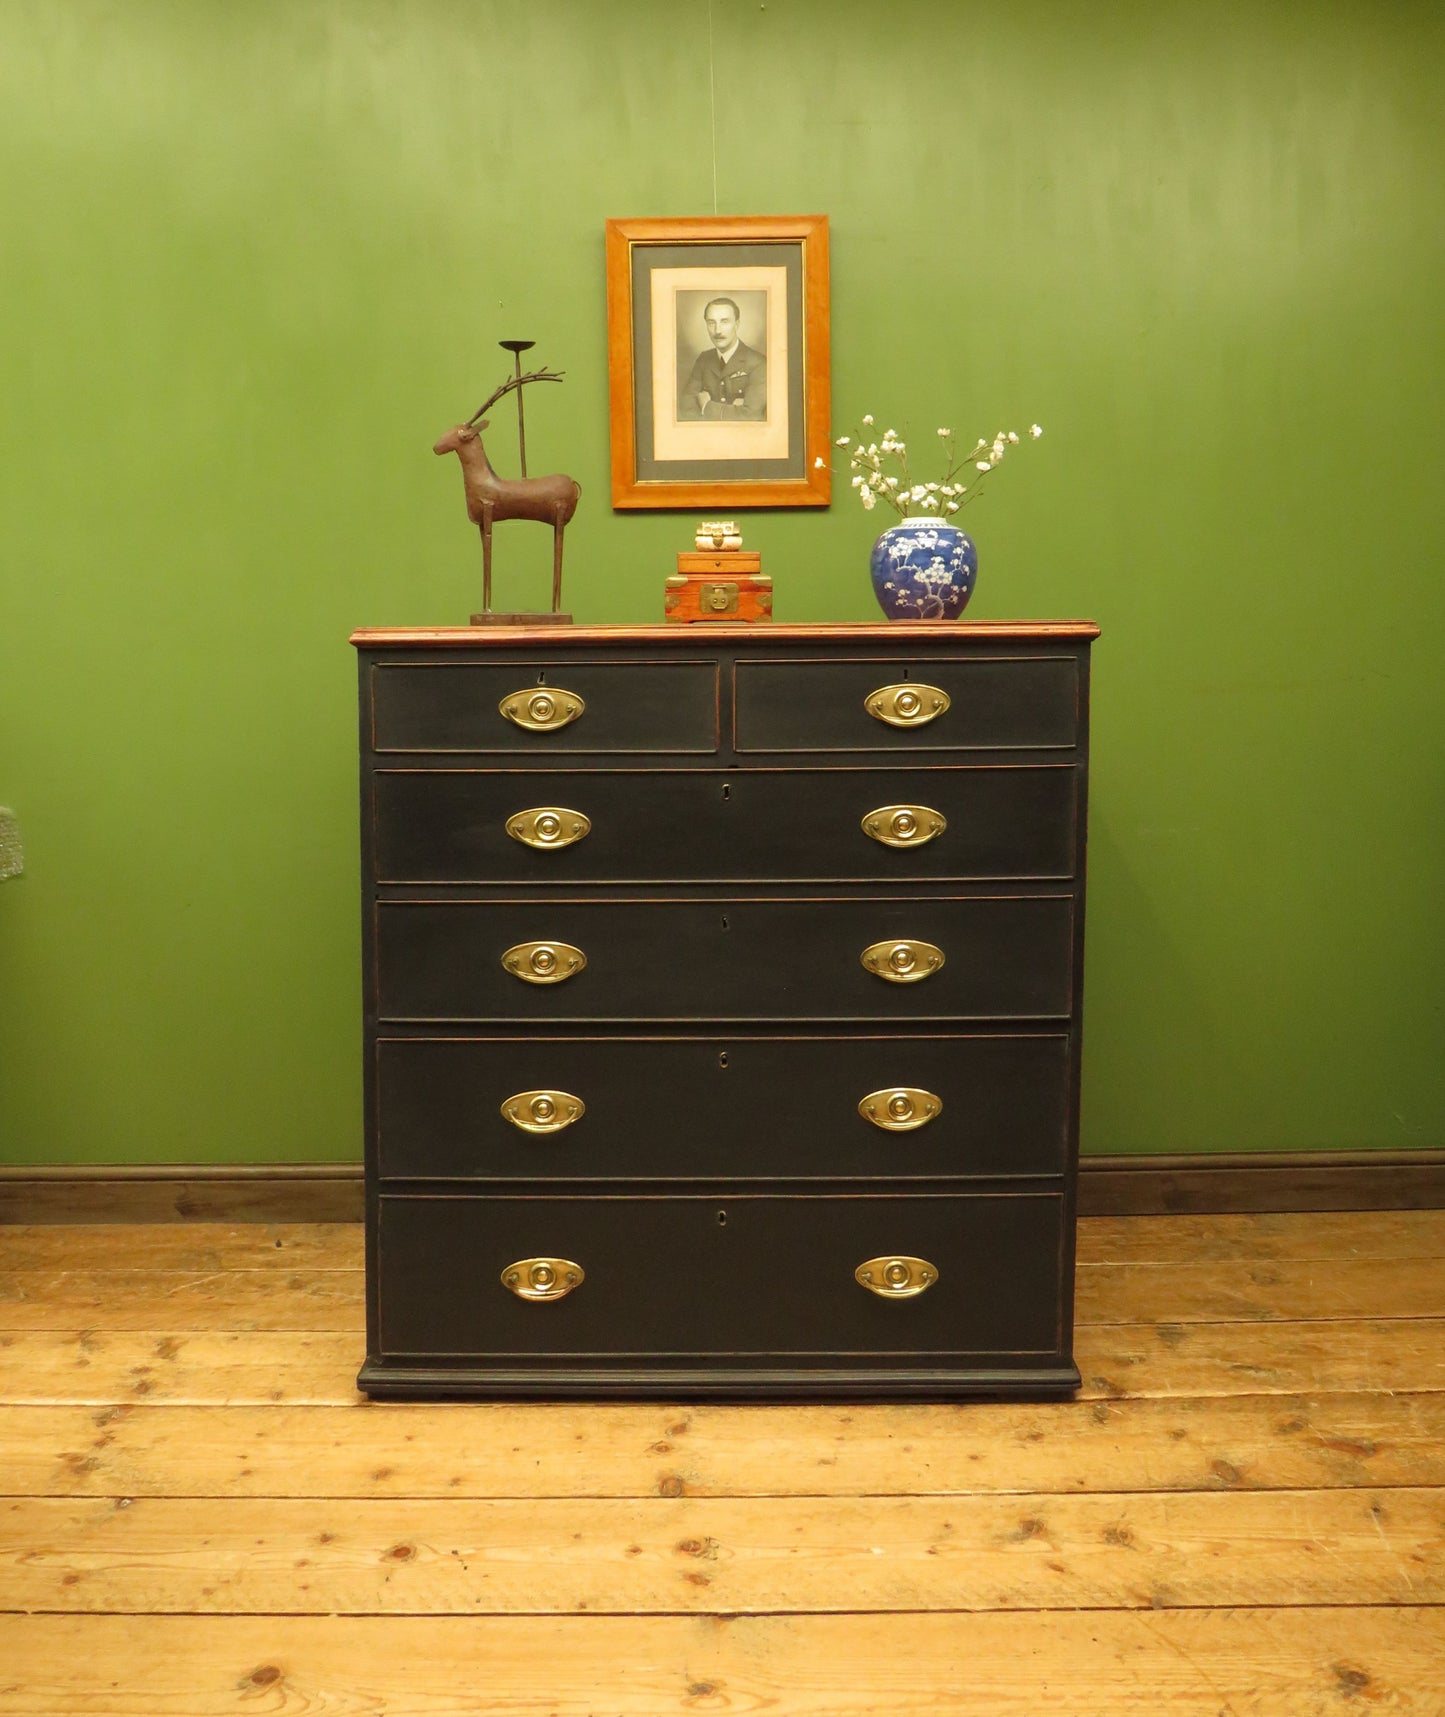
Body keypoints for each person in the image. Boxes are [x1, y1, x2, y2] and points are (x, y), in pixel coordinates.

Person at [679, 297, 767, 420]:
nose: (717, 330)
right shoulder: (703, 359)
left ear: (736, 324)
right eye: (711, 323)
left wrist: (706, 407)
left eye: (724, 322)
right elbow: (685, 410)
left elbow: (750, 416)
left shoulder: (759, 363)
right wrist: (733, 410)